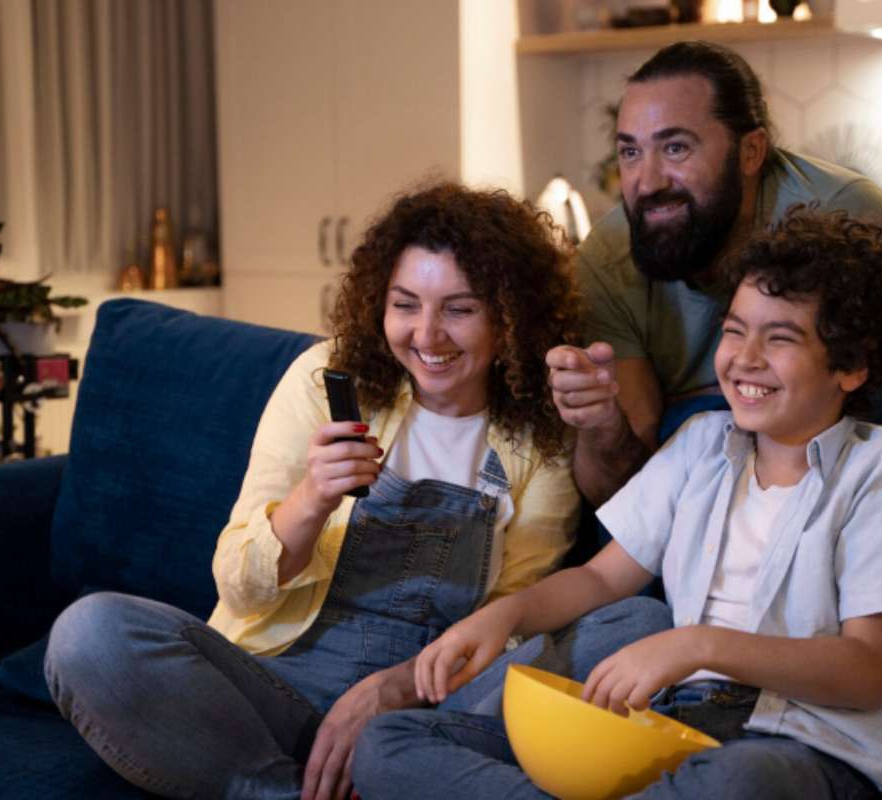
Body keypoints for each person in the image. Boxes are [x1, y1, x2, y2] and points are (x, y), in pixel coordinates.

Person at [352, 207, 882, 799]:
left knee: (739, 782)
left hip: (803, 746)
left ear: (851, 365)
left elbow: (867, 672)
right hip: (674, 730)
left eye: (779, 339)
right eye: (734, 330)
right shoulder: (701, 444)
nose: (745, 359)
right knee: (389, 743)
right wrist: (502, 618)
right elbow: (600, 577)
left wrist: (696, 645)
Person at [44, 183, 587, 800]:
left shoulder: (539, 433)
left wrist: (392, 691)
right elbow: (236, 585)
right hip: (272, 691)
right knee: (90, 634)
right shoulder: (322, 381)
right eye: (405, 304)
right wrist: (311, 500)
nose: (427, 336)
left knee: (599, 636)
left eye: (459, 310)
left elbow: (510, 624)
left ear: (510, 316)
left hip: (420, 708)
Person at [547, 41, 882, 507]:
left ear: (751, 152)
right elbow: (626, 498)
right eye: (630, 152)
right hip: (689, 509)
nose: (647, 182)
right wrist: (602, 427)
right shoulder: (607, 257)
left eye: (675, 148)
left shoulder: (848, 215)